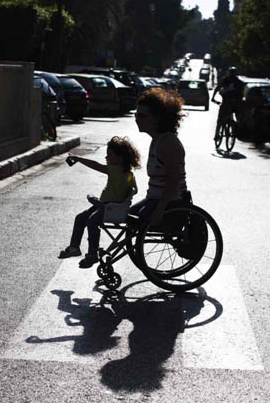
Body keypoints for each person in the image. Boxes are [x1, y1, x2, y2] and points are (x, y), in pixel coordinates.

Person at [60, 136, 140, 268]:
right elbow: (135, 190)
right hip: (106, 206)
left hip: (108, 208)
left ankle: (91, 254)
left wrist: (79, 159)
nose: (106, 158)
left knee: (90, 220)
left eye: (109, 155)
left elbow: (96, 166)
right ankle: (74, 247)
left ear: (120, 157)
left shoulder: (115, 169)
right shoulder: (129, 173)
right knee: (81, 218)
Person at [129, 88, 189, 226]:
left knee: (136, 221)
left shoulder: (168, 143)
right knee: (126, 215)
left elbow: (173, 181)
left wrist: (159, 210)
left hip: (171, 203)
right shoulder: (157, 139)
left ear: (158, 118)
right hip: (153, 199)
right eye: (136, 115)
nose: (137, 119)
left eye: (142, 115)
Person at [211, 66, 244, 139]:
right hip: (236, 104)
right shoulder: (239, 82)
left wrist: (213, 97)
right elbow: (242, 94)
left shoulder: (226, 80)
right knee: (238, 115)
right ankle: (237, 127)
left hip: (226, 103)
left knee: (220, 118)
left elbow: (218, 88)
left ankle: (217, 133)